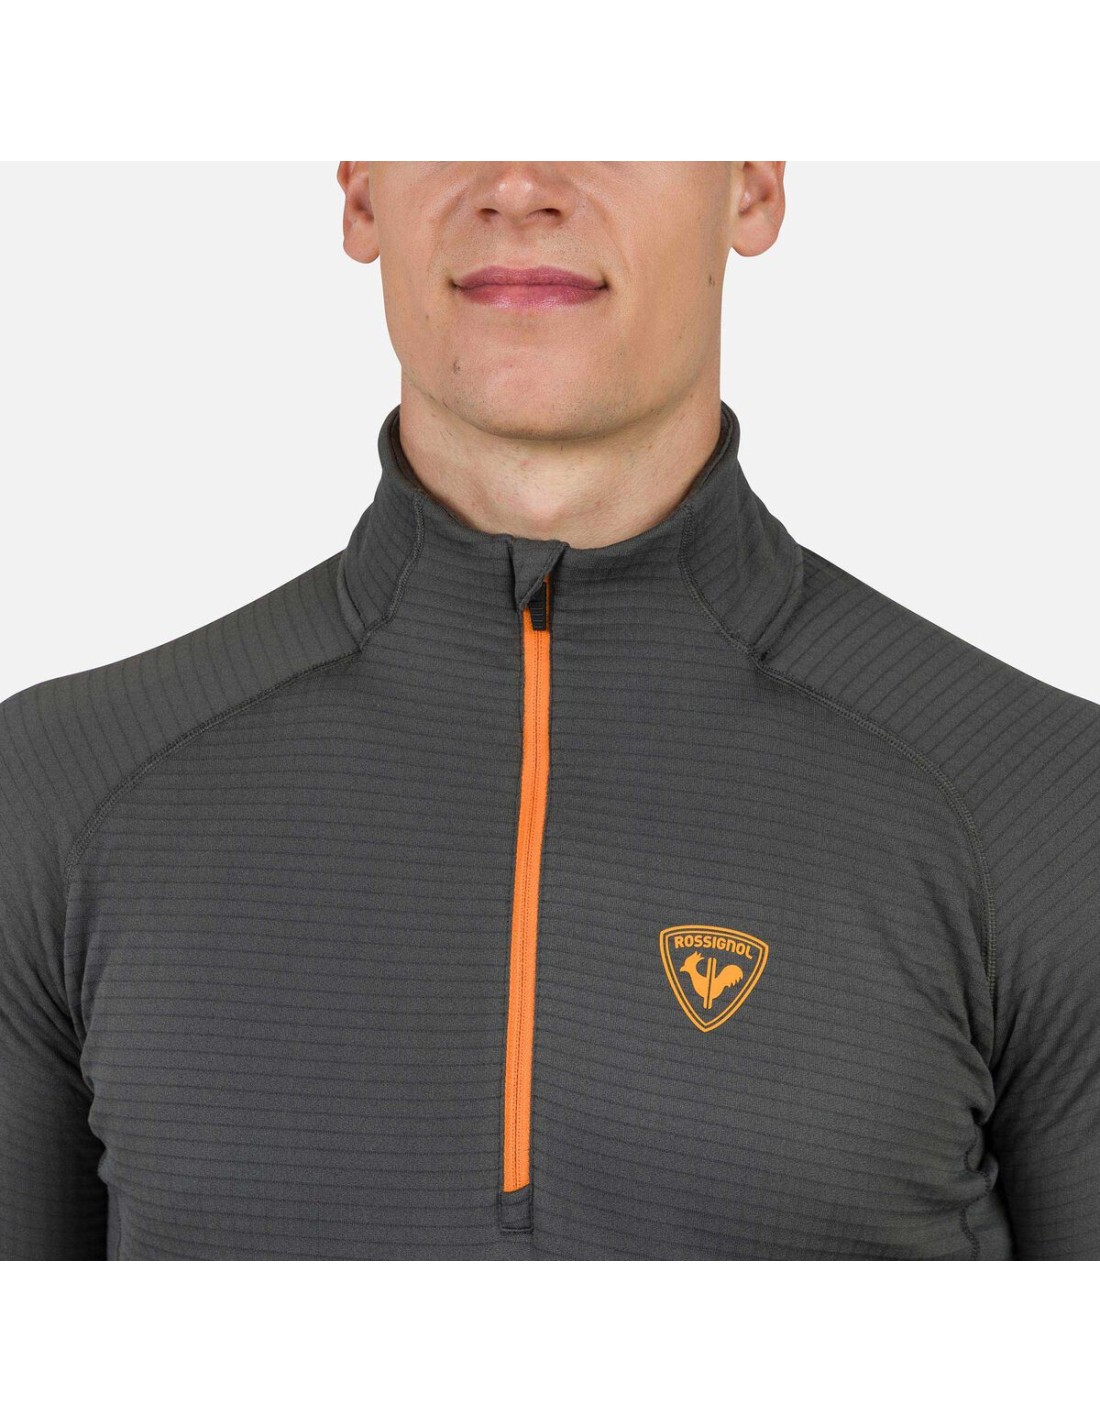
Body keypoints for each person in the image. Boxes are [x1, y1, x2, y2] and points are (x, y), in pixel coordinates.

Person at [1, 161, 1097, 1261]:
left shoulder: (1045, 808)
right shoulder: (58, 797)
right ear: (361, 191)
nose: (520, 184)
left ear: (752, 186)